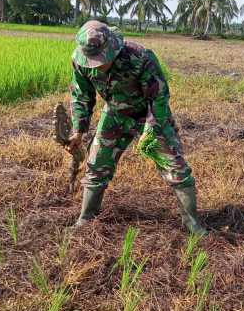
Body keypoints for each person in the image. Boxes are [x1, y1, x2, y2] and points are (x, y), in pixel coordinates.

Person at [67, 20, 207, 235]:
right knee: (96, 165)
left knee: (175, 168)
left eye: (102, 60)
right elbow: (81, 96)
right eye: (93, 61)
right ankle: (86, 218)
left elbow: (159, 98)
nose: (98, 65)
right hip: (114, 115)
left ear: (112, 48)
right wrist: (79, 130)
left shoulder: (140, 57)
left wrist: (151, 129)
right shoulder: (81, 63)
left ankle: (192, 223)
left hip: (149, 114)